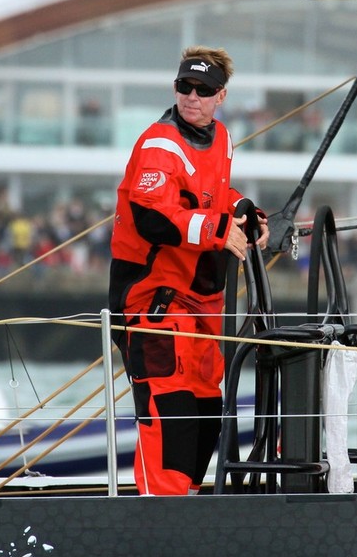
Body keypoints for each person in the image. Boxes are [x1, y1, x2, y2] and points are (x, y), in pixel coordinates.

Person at [109, 46, 268, 495]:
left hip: (202, 305)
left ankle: (187, 510)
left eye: (203, 89)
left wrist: (243, 211)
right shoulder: (159, 144)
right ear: (175, 88)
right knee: (171, 414)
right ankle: (160, 517)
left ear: (221, 95)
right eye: (184, 87)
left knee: (206, 411)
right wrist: (220, 228)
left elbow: (211, 193)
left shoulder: (221, 139)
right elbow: (152, 217)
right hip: (154, 303)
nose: (191, 96)